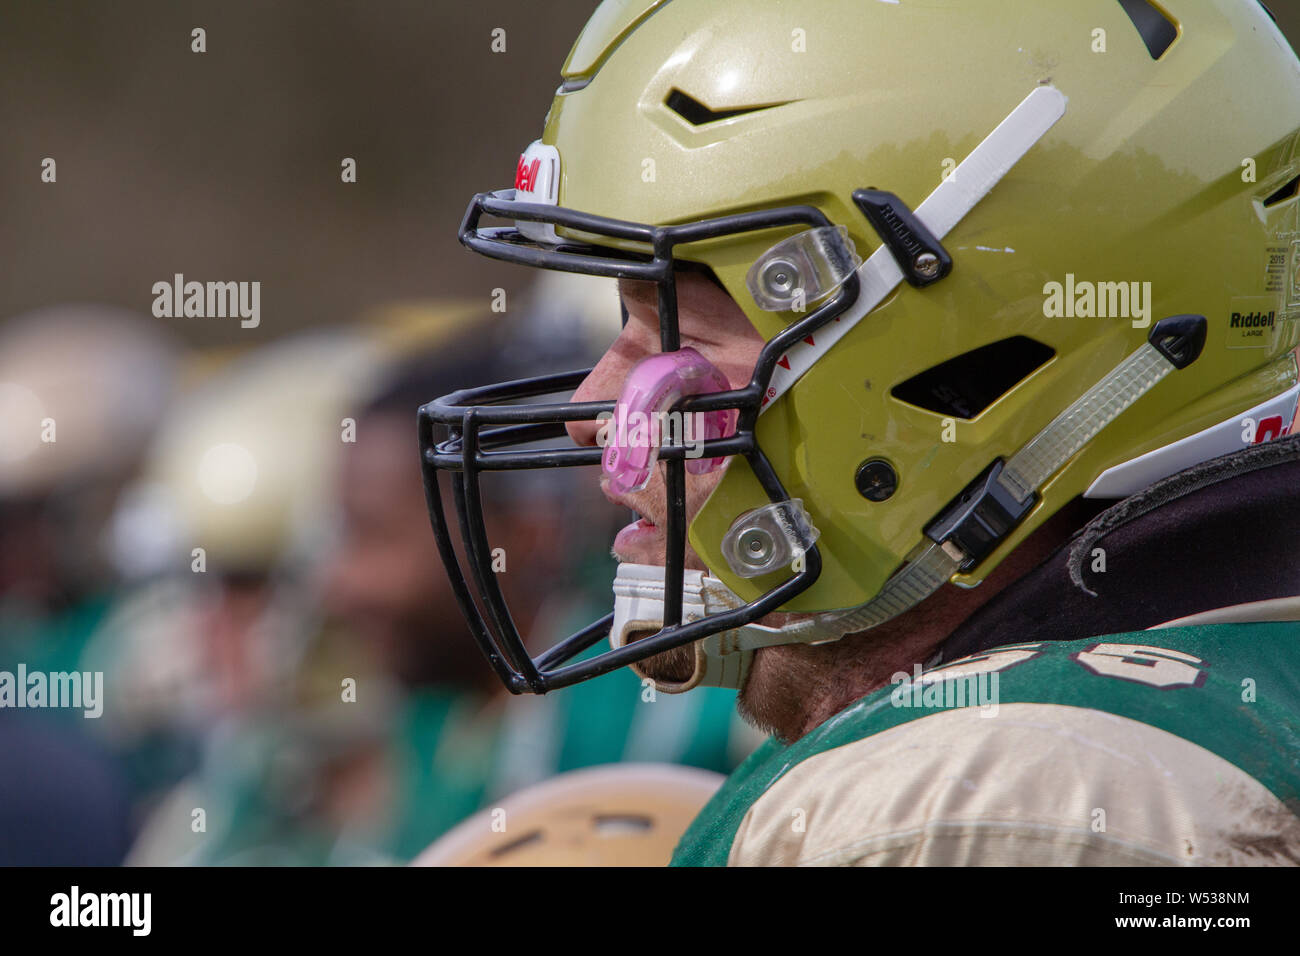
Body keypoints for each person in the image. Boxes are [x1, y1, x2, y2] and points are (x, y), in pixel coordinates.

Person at [420, 0, 1300, 865]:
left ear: (973, 369)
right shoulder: (1215, 692)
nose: (591, 409)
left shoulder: (988, 800)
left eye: (677, 330)